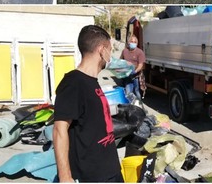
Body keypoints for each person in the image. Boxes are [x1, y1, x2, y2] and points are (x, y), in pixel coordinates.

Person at [53, 25, 122, 183]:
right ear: (101, 49)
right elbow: (59, 130)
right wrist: (65, 177)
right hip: (92, 176)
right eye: (110, 50)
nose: (110, 55)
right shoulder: (73, 83)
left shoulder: (92, 82)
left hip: (109, 170)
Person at [120, 34, 145, 102]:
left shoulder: (140, 52)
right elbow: (121, 61)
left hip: (135, 76)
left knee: (136, 91)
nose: (133, 43)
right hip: (127, 75)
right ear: (128, 42)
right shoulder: (124, 51)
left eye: (135, 42)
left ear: (137, 43)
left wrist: (135, 71)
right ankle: (130, 106)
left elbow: (140, 65)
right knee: (128, 92)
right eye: (131, 41)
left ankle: (139, 105)